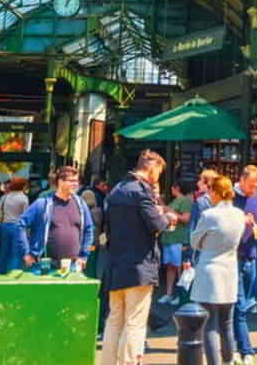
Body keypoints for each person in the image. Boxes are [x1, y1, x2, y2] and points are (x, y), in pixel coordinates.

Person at [100, 150, 173, 365]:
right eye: (158, 172)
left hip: (115, 264)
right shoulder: (142, 192)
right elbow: (157, 225)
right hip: (140, 266)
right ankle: (130, 362)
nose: (158, 178)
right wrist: (166, 216)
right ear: (151, 168)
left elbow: (108, 228)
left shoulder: (116, 190)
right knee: (135, 322)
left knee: (114, 321)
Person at [192, 176, 247, 365]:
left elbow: (194, 241)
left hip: (210, 270)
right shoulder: (240, 214)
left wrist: (206, 244)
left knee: (209, 325)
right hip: (230, 270)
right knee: (226, 323)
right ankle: (228, 361)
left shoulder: (209, 215)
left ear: (215, 192)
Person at [18, 165, 94, 271]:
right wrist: (26, 253)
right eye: (71, 181)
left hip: (73, 266)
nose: (75, 184)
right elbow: (21, 224)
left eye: (77, 181)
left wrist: (84, 257)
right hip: (44, 266)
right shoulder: (42, 204)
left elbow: (89, 229)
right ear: (60, 182)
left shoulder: (81, 204)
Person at [232, 165, 257, 365]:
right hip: (234, 256)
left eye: (256, 186)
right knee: (239, 306)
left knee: (244, 306)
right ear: (241, 180)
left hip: (251, 254)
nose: (253, 190)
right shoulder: (229, 197)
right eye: (250, 186)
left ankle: (233, 347)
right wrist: (240, 220)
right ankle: (246, 351)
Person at [159, 181, 193, 305]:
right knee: (170, 266)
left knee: (179, 267)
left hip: (178, 238)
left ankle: (181, 295)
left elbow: (186, 218)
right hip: (169, 237)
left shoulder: (185, 201)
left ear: (177, 188)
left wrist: (169, 210)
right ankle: (169, 294)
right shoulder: (176, 201)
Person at [0, 177, 30, 274]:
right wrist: (26, 232)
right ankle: (13, 273)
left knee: (3, 253)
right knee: (16, 253)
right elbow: (25, 216)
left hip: (4, 226)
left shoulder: (5, 197)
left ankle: (1, 273)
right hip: (18, 227)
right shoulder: (24, 198)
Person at [191, 169, 220, 235]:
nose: (197, 183)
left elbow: (194, 228)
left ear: (208, 183)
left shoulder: (200, 202)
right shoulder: (221, 201)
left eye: (200, 180)